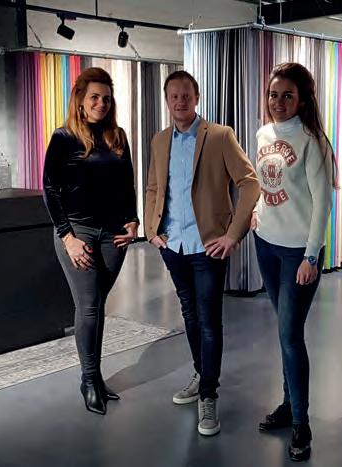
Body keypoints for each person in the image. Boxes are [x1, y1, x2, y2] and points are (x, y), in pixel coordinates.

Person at [144, 70, 260, 436]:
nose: (180, 101)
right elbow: (153, 187)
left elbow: (249, 183)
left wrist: (233, 234)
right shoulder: (160, 140)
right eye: (174, 96)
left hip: (208, 246)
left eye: (186, 95)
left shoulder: (220, 136)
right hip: (173, 245)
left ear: (197, 98)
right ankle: (201, 373)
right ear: (167, 100)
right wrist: (151, 230)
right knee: (190, 315)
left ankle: (209, 394)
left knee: (209, 321)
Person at [251, 62, 336, 461]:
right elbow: (264, 182)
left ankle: (302, 423)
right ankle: (288, 406)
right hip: (266, 244)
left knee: (289, 335)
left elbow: (323, 204)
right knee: (285, 331)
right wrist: (256, 213)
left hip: (298, 253)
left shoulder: (312, 140)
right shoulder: (263, 134)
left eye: (287, 95)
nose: (278, 102)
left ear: (302, 100)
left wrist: (311, 255)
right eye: (273, 94)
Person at [43, 67, 138, 416]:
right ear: (81, 100)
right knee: (89, 306)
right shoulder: (64, 137)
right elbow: (50, 190)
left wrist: (134, 221)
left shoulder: (118, 136)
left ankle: (95, 377)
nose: (101, 103)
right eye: (95, 97)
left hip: (114, 235)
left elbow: (127, 185)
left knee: (98, 303)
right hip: (78, 231)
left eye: (106, 98)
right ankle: (88, 381)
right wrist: (66, 237)